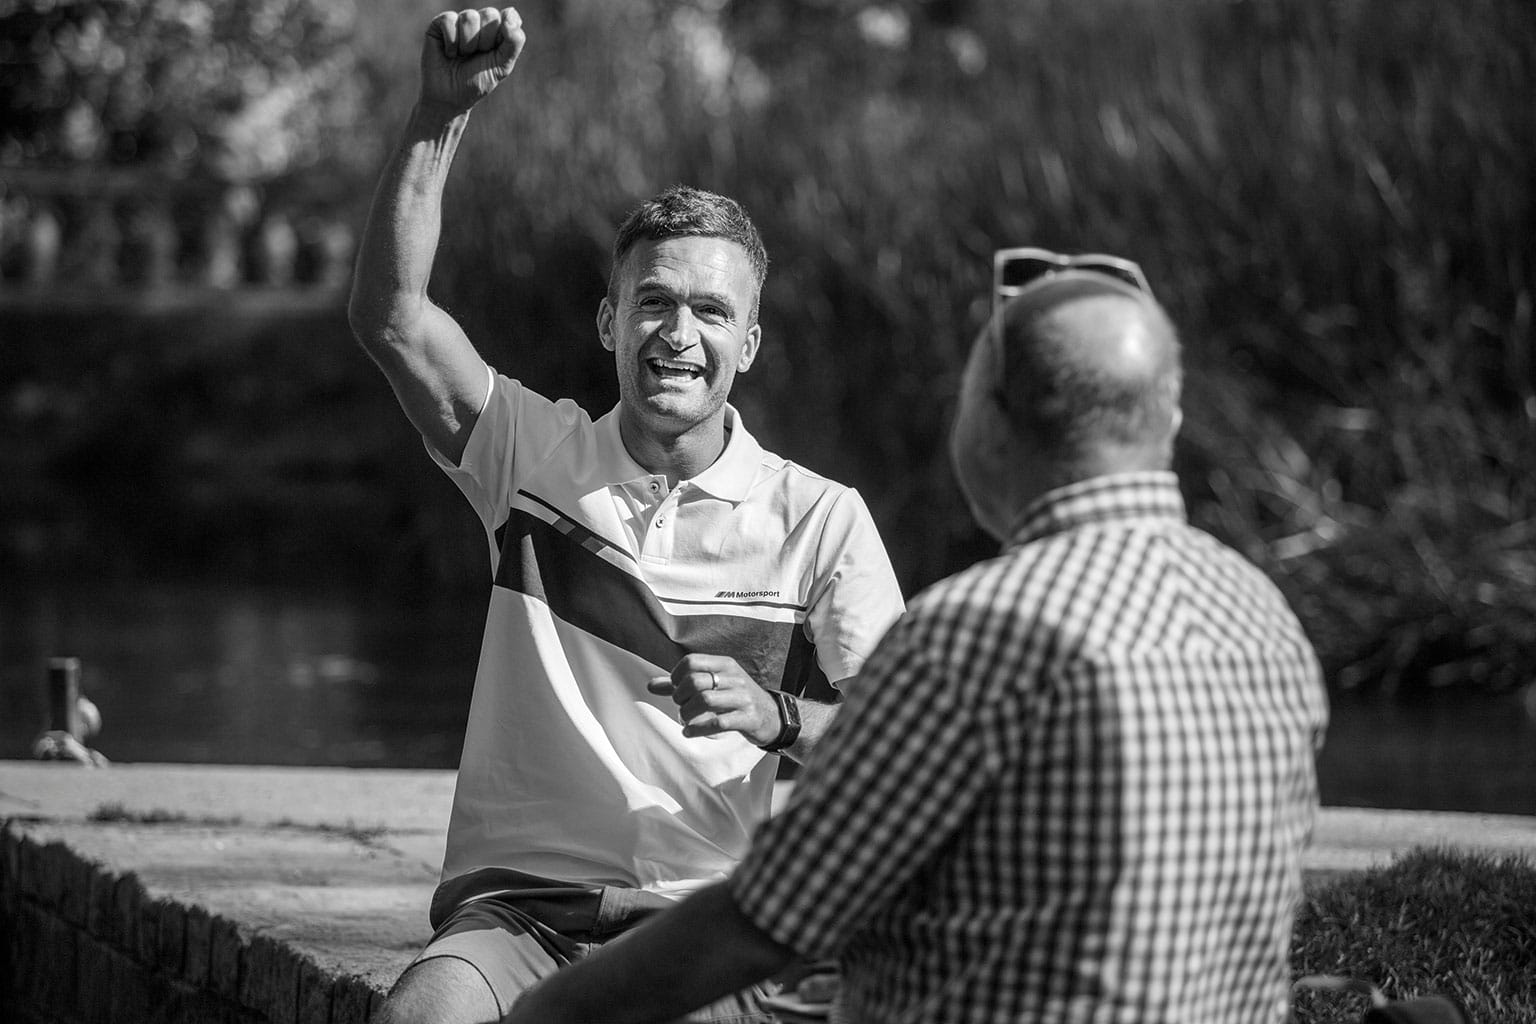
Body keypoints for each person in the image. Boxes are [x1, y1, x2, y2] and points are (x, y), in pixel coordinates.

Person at [504, 249, 1331, 1024]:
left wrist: (542, 1015)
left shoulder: (973, 637)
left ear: (991, 421)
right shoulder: (1266, 621)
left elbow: (761, 919)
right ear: (1170, 420)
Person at [346, 8, 905, 1024]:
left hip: (703, 932)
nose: (678, 333)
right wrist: (439, 114)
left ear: (749, 345)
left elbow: (904, 747)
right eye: (653, 301)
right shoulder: (529, 454)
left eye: (712, 312)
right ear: (610, 321)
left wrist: (776, 714)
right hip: (515, 918)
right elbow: (392, 318)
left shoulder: (821, 519)